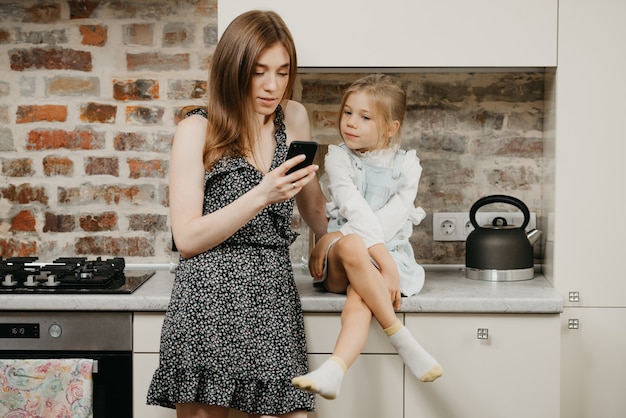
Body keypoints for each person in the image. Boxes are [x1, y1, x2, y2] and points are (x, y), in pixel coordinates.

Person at [146, 10, 328, 418]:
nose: (272, 85)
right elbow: (188, 238)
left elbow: (314, 208)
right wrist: (263, 193)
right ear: (234, 69)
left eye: (283, 72)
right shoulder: (198, 129)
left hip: (273, 294)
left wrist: (347, 239)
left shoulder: (294, 117)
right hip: (208, 298)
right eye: (259, 71)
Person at [291, 74, 443, 400]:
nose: (351, 123)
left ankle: (335, 369)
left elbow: (391, 221)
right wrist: (340, 244)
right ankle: (404, 340)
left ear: (390, 127)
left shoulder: (407, 166)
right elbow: (356, 211)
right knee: (350, 244)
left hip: (386, 259)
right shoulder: (338, 158)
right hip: (346, 263)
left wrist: (330, 237)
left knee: (360, 297)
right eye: (348, 112)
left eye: (365, 117)